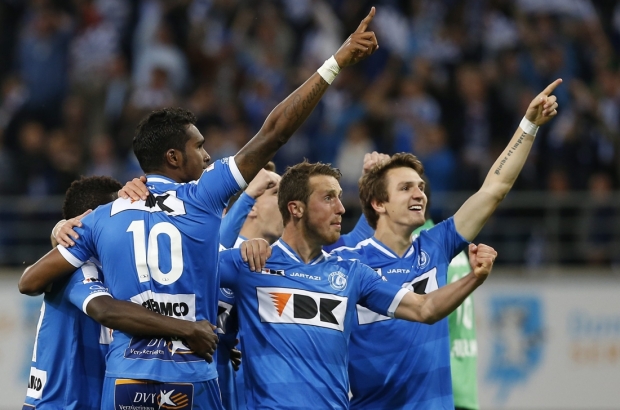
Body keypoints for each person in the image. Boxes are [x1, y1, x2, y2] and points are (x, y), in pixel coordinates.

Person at [19, 8, 381, 410]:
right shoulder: (204, 195)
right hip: (191, 377)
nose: (208, 157)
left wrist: (68, 226)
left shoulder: (105, 216)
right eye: (199, 147)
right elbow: (275, 131)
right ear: (174, 158)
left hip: (126, 379)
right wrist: (336, 63)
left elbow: (30, 282)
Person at [330, 79, 561, 409]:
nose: (419, 194)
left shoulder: (435, 245)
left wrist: (529, 125)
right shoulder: (345, 260)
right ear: (379, 203)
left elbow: (493, 190)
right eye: (405, 188)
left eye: (421, 187)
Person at [217, 160, 497, 408]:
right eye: (329, 198)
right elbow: (194, 266)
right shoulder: (251, 263)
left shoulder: (352, 273)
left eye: (339, 198)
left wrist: (474, 278)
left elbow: (424, 309)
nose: (341, 208)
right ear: (296, 208)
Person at [20, 176, 218, 410]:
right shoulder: (78, 267)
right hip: (60, 403)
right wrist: (189, 329)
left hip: (93, 398)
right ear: (91, 218)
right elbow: (104, 309)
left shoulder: (118, 267)